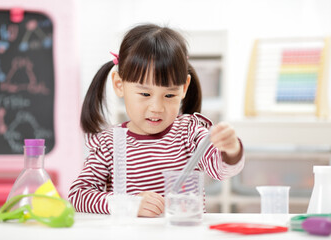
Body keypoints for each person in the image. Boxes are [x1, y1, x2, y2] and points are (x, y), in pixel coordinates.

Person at [68, 23, 244, 217]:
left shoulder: (189, 132)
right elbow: (78, 196)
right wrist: (127, 204)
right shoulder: (110, 143)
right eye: (145, 93)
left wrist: (230, 150)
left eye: (169, 96)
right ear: (119, 85)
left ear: (184, 88)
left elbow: (220, 169)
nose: (157, 108)